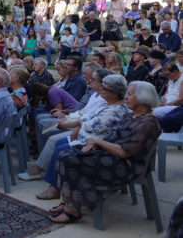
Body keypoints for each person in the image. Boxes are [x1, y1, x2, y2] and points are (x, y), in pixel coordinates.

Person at [49, 81, 161, 224]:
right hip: (112, 155)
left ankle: (73, 210)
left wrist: (99, 142)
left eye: (130, 95)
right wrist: (96, 143)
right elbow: (111, 136)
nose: (126, 97)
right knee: (65, 154)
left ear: (143, 98)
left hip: (127, 165)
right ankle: (69, 203)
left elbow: (125, 152)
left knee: (70, 159)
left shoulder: (149, 123)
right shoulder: (132, 115)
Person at [35, 74, 130, 201]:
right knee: (59, 143)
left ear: (114, 93)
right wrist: (80, 126)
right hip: (87, 136)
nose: (101, 90)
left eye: (105, 88)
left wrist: (79, 124)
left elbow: (94, 126)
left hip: (96, 144)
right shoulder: (107, 104)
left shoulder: (116, 109)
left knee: (60, 148)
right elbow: (88, 117)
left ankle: (55, 189)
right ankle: (57, 183)